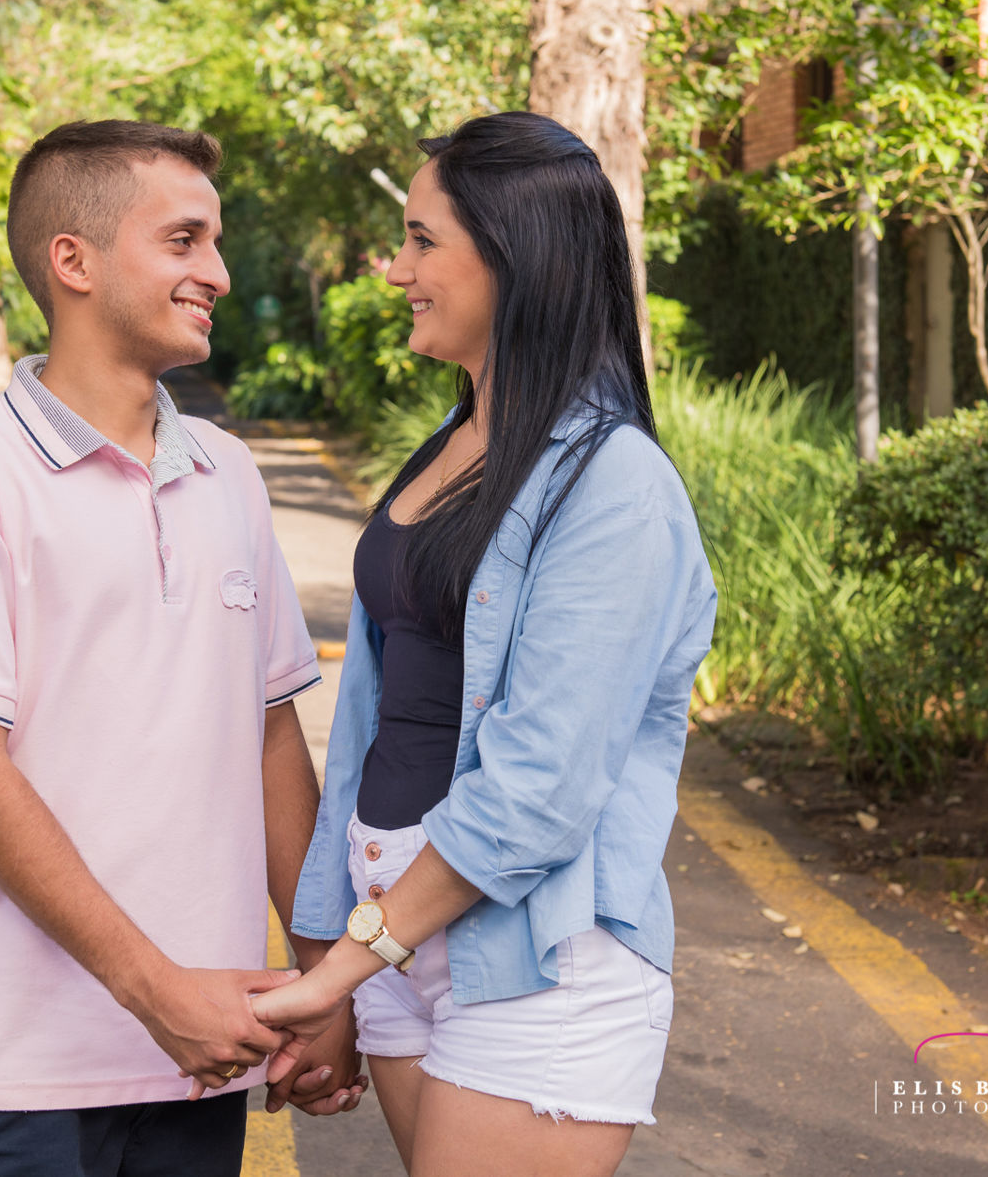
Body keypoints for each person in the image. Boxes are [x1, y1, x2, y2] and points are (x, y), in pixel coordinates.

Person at [0, 119, 365, 1177]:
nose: (220, 273)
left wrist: (323, 980)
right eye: (185, 240)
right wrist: (156, 990)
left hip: (201, 1062)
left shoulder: (229, 473)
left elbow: (272, 741)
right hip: (10, 1078)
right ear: (75, 261)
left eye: (217, 243)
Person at [251, 112, 717, 1177]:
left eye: (422, 240)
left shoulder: (615, 487)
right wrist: (333, 950)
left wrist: (340, 971)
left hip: (533, 951)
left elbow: (541, 788)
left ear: (515, 256)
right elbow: (371, 727)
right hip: (402, 940)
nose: (396, 267)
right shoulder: (458, 440)